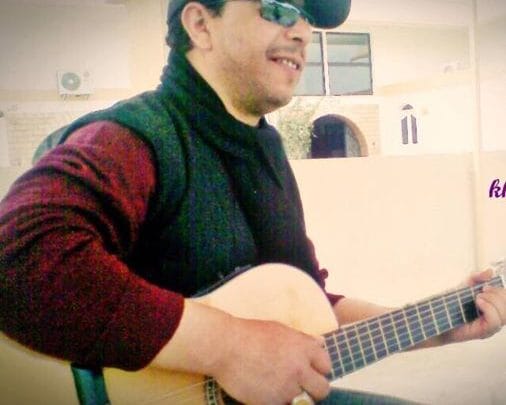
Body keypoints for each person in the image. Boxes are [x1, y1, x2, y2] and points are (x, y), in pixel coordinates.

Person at [1, 1, 505, 404]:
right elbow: (18, 260)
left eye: (307, 17)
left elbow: (309, 309)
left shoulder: (266, 152)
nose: (302, 31)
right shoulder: (133, 138)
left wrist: (441, 325)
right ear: (201, 24)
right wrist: (229, 347)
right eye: (279, 7)